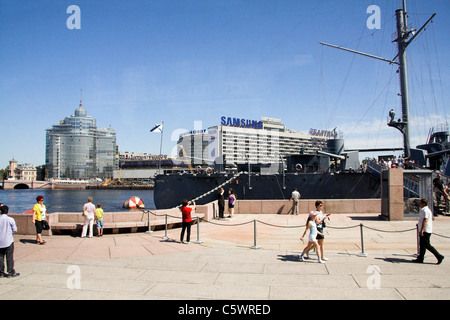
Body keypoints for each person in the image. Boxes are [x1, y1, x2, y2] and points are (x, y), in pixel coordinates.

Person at [412, 199, 444, 264]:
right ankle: (420, 258)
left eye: (420, 203)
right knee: (422, 245)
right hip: (424, 230)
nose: (419, 204)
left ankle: (439, 256)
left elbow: (425, 220)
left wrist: (422, 230)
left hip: (425, 231)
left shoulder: (425, 211)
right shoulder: (424, 210)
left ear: (423, 203)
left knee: (427, 245)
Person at [0, 205, 20, 278]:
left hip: (0, 241)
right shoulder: (10, 219)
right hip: (8, 241)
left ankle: (1, 272)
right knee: (9, 257)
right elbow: (15, 230)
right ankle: (10, 272)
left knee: (0, 257)